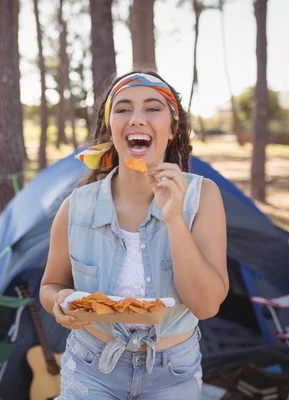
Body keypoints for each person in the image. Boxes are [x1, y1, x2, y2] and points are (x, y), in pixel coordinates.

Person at [40, 71, 228, 399]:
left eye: (152, 109)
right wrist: (59, 303)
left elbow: (206, 305)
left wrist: (174, 220)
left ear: (171, 130)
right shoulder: (77, 206)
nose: (137, 119)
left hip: (173, 372)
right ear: (111, 128)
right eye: (123, 109)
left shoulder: (203, 197)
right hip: (90, 367)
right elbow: (49, 286)